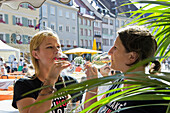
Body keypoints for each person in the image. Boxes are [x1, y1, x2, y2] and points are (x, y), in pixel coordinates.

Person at [84, 26, 169, 113]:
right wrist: (92, 86)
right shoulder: (119, 83)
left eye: (115, 48)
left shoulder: (152, 99)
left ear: (132, 57)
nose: (109, 52)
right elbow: (94, 111)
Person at [12, 30, 82, 113]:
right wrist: (50, 80)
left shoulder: (70, 81)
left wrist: (93, 87)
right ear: (36, 54)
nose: (57, 51)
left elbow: (83, 109)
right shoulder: (24, 85)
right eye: (50, 47)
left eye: (58, 47)